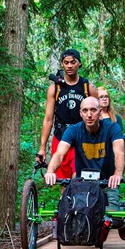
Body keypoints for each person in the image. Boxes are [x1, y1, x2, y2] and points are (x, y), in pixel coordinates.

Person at [45, 97, 125, 210]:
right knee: (76, 213)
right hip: (81, 184)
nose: (89, 115)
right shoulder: (73, 130)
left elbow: (119, 153)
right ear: (80, 113)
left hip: (107, 183)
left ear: (100, 112)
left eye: (93, 110)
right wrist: (50, 171)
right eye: (85, 110)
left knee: (113, 218)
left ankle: (120, 210)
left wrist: (117, 174)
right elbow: (59, 153)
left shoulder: (112, 128)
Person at [37, 49, 98, 181]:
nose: (69, 66)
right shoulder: (55, 88)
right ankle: (64, 201)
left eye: (73, 62)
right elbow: (48, 119)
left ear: (79, 63)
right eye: (66, 63)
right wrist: (42, 148)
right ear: (62, 64)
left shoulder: (88, 87)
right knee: (62, 182)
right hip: (60, 137)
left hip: (82, 138)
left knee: (80, 178)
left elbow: (98, 114)